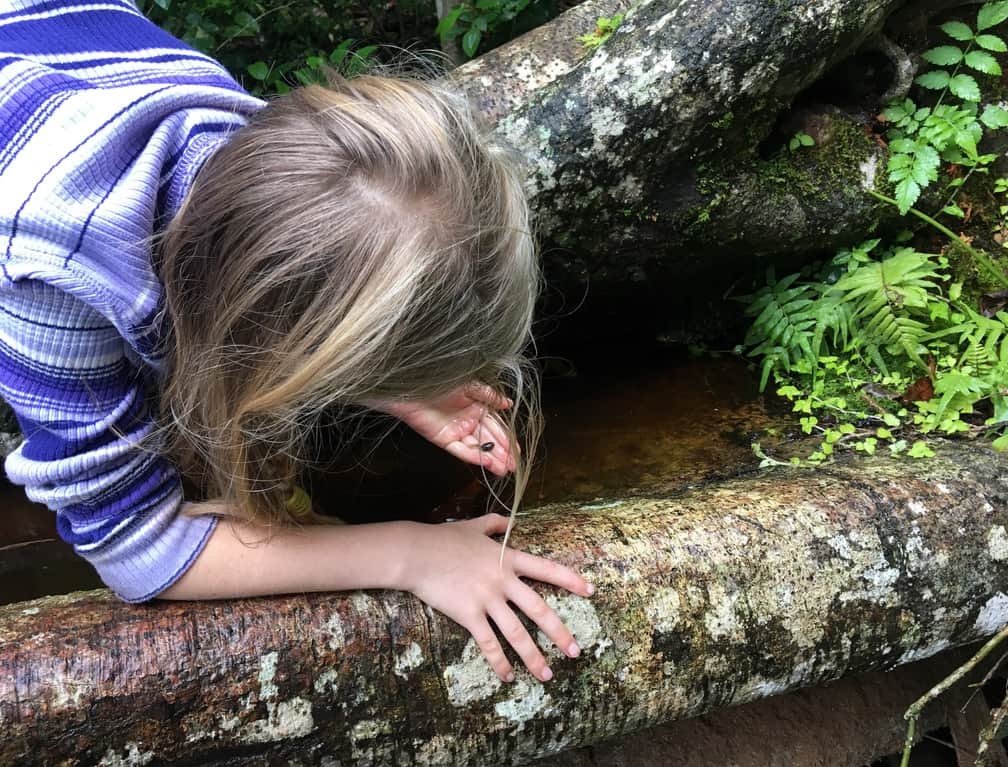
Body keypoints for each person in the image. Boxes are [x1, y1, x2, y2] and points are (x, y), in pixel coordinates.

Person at [0, 0, 593, 684]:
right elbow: (133, 545)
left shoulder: (281, 162)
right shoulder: (50, 275)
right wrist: (409, 554)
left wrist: (393, 382)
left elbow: (270, 302)